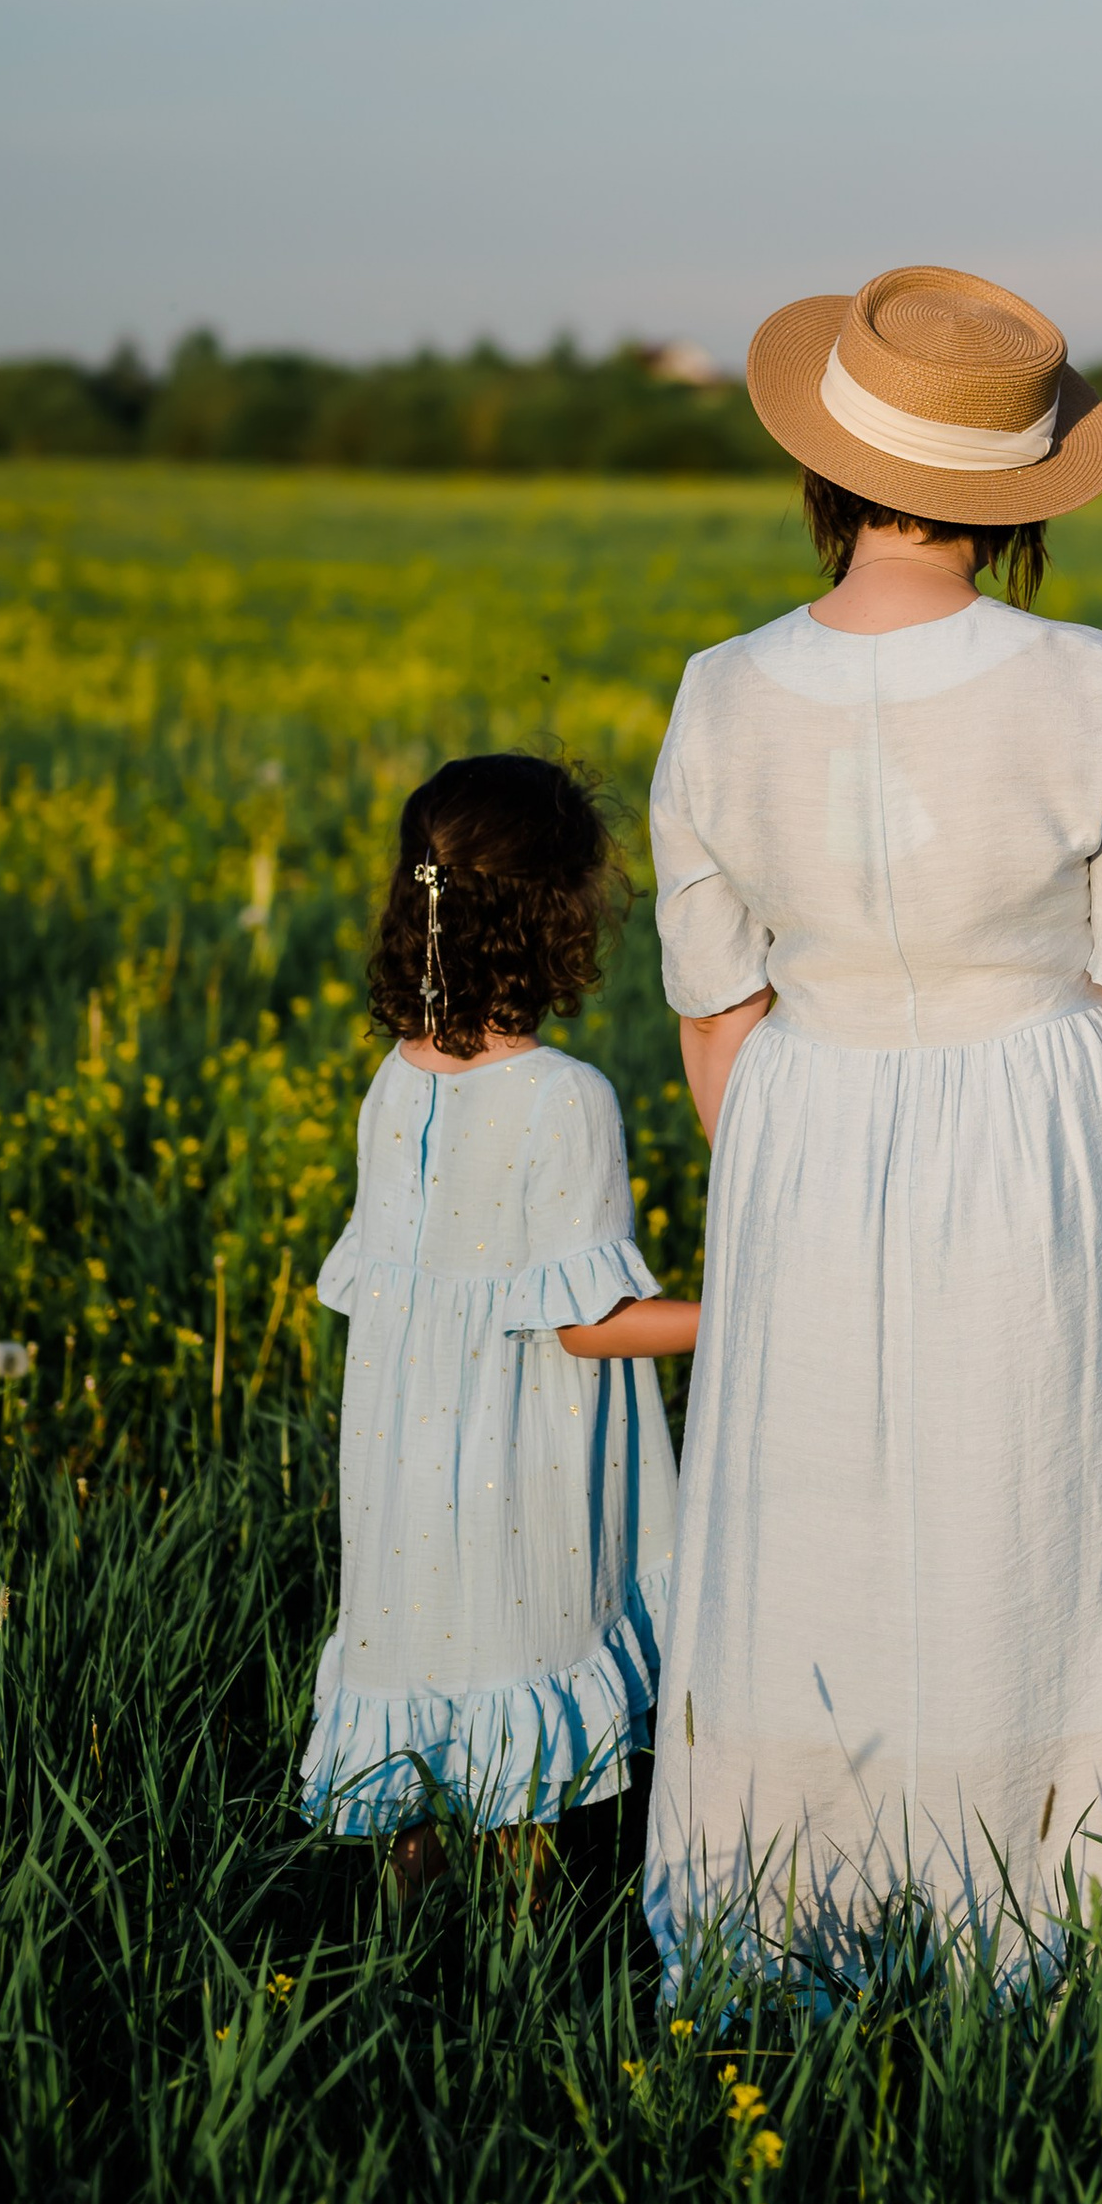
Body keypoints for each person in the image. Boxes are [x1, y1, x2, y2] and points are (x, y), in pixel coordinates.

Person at [642, 262, 1102, 1982]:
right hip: (1049, 1122)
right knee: (1046, 1501)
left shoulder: (719, 687)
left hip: (803, 1115)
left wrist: (770, 1172)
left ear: (824, 469)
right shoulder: (1089, 681)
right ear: (1011, 499)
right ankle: (1042, 1919)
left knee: (813, 1511)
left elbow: (715, 1006)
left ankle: (787, 1909)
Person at [298, 754, 697, 1876]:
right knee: (518, 1666)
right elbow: (585, 1324)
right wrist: (739, 1311)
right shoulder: (564, 1097)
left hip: (399, 1469)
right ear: (559, 917)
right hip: (517, 1464)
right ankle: (518, 1961)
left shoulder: (396, 1079)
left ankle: (406, 1943)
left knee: (423, 1674)